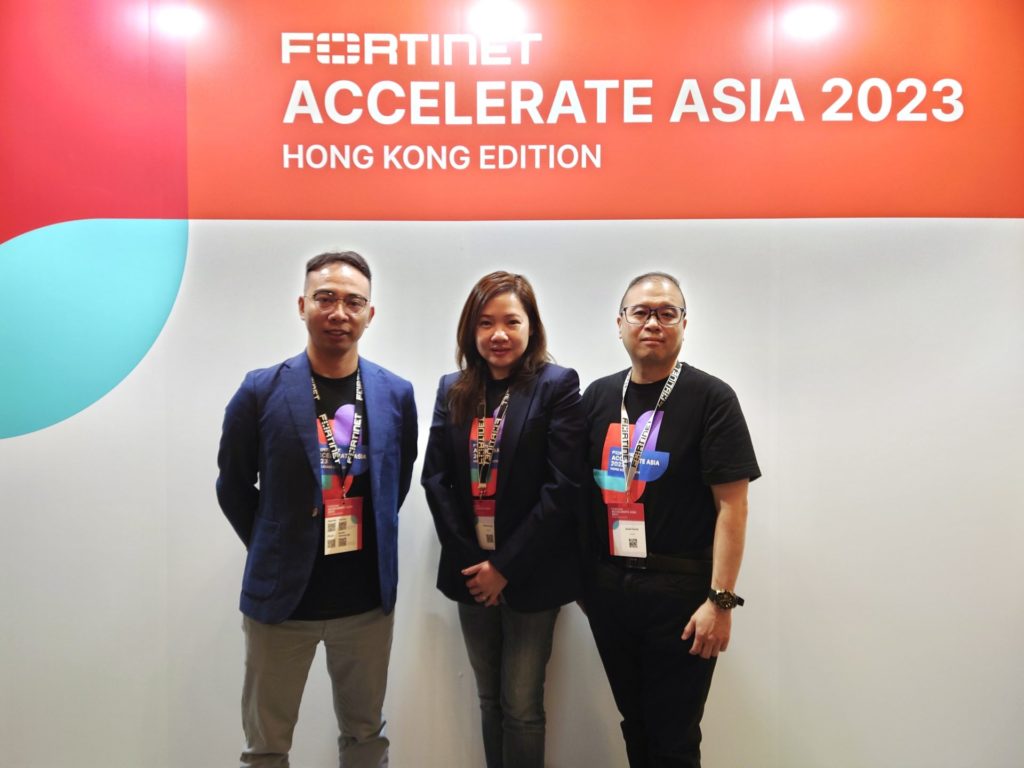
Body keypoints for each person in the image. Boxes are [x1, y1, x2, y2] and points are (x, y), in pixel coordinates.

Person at [216, 251, 417, 768]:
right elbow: (233, 485)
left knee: (366, 737)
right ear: (302, 305)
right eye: (325, 298)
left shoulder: (396, 394)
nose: (339, 312)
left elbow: (394, 484)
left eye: (353, 301)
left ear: (370, 314)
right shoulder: (260, 390)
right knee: (266, 747)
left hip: (366, 602)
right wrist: (275, 542)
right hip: (282, 603)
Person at [581, 271, 760, 768]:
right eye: (641, 312)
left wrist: (720, 601)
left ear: (684, 323)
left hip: (681, 597)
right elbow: (577, 495)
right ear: (620, 323)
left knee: (674, 738)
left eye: (667, 313)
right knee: (634, 724)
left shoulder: (711, 399)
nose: (653, 323)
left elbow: (732, 506)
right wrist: (586, 584)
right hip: (610, 589)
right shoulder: (597, 397)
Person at [421, 271, 585, 768]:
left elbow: (564, 486)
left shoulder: (556, 386)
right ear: (470, 329)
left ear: (531, 327)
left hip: (533, 573)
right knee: (489, 699)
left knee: (522, 706)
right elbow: (436, 480)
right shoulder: (454, 388)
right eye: (486, 322)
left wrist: (504, 567)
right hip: (471, 573)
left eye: (511, 321)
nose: (499, 334)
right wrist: (477, 566)